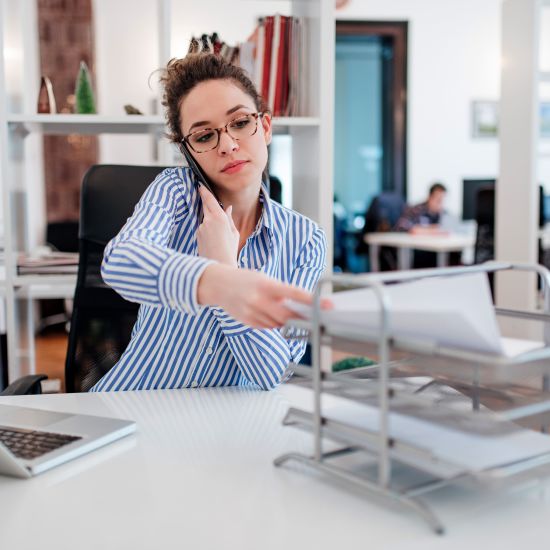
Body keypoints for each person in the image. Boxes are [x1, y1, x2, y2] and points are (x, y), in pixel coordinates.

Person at [90, 52, 328, 392]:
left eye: (241, 123)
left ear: (265, 127)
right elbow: (121, 262)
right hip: (133, 406)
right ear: (188, 151)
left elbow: (274, 373)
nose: (228, 145)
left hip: (222, 426)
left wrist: (226, 267)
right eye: (204, 136)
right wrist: (218, 282)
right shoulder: (175, 191)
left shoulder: (306, 240)